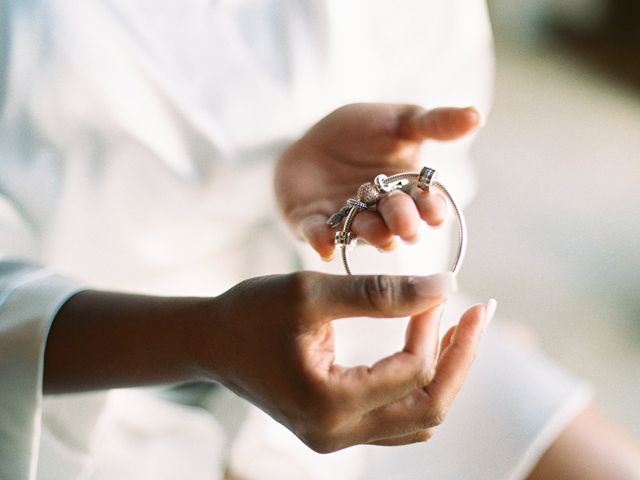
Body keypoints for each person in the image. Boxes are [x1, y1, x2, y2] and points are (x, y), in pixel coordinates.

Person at [1, 1, 639, 479]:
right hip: (65, 380)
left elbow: (439, 163)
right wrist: (205, 340)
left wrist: (307, 181)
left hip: (362, 334)